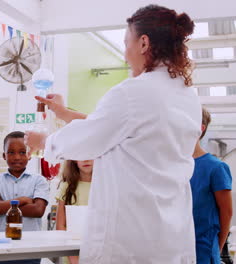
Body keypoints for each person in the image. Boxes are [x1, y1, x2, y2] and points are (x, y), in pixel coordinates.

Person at [25, 4, 202, 263]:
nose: (125, 54)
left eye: (126, 43)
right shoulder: (187, 96)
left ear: (143, 43)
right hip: (172, 235)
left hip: (130, 238)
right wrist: (64, 113)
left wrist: (44, 141)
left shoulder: (132, 92)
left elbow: (91, 138)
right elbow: (119, 131)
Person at [0, 131, 49, 264]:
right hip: (0, 247)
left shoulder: (39, 180)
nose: (17, 157)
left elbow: (38, 211)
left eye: (22, 152)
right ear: (4, 155)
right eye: (11, 152)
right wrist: (23, 200)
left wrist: (3, 205)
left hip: (30, 248)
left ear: (29, 154)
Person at [191, 107, 232, 263]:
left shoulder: (216, 168)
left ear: (200, 129)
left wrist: (215, 249)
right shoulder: (173, 165)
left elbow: (226, 213)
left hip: (203, 251)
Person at [55, 160, 93, 264]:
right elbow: (60, 227)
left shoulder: (105, 187)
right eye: (81, 156)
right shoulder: (66, 186)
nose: (86, 159)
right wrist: (73, 259)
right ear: (74, 160)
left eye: (90, 155)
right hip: (72, 256)